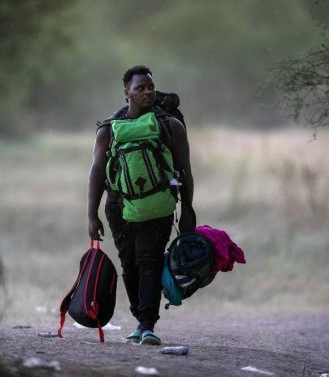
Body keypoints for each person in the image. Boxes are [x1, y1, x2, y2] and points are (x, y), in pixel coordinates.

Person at [87, 65, 196, 345]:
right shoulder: (109, 130)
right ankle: (141, 318)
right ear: (127, 93)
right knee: (129, 263)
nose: (147, 92)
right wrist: (92, 215)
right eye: (140, 88)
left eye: (150, 87)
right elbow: (97, 172)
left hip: (159, 203)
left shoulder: (170, 126)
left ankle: (146, 324)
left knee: (150, 260)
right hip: (118, 205)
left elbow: (184, 170)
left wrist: (187, 210)